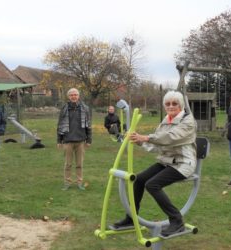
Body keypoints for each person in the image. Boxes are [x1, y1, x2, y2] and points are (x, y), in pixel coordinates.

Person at [112, 90, 197, 237]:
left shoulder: (188, 121)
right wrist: (139, 141)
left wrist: (145, 137)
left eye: (175, 103)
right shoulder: (166, 121)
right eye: (168, 104)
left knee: (152, 184)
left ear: (181, 105)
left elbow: (171, 137)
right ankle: (131, 218)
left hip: (184, 164)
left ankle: (177, 221)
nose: (171, 106)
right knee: (138, 180)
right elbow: (157, 144)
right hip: (167, 162)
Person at [57, 88, 92, 191]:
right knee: (68, 164)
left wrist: (89, 140)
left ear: (78, 96)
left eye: (75, 94)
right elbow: (60, 125)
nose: (74, 96)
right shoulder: (64, 108)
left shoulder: (85, 108)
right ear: (69, 96)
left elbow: (88, 125)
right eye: (71, 95)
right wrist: (59, 140)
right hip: (67, 141)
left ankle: (79, 182)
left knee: (79, 164)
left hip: (80, 141)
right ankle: (67, 182)